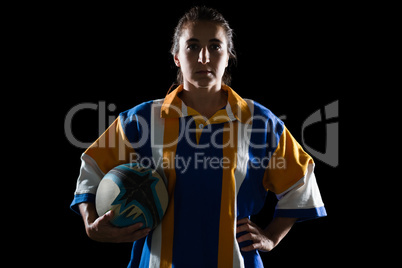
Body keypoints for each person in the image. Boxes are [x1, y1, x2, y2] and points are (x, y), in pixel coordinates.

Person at [70, 6, 327, 268]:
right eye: (192, 46)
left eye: (215, 46)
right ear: (177, 57)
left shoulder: (259, 122)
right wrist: (91, 224)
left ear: (228, 56)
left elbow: (301, 180)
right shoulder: (141, 120)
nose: (204, 57)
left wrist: (271, 236)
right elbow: (91, 169)